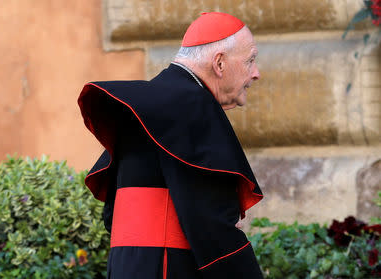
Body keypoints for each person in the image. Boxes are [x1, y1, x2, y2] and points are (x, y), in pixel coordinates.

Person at [78, 12, 264, 279]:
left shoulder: (148, 108)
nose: (256, 74)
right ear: (220, 63)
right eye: (250, 60)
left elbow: (112, 215)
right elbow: (211, 227)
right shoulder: (192, 106)